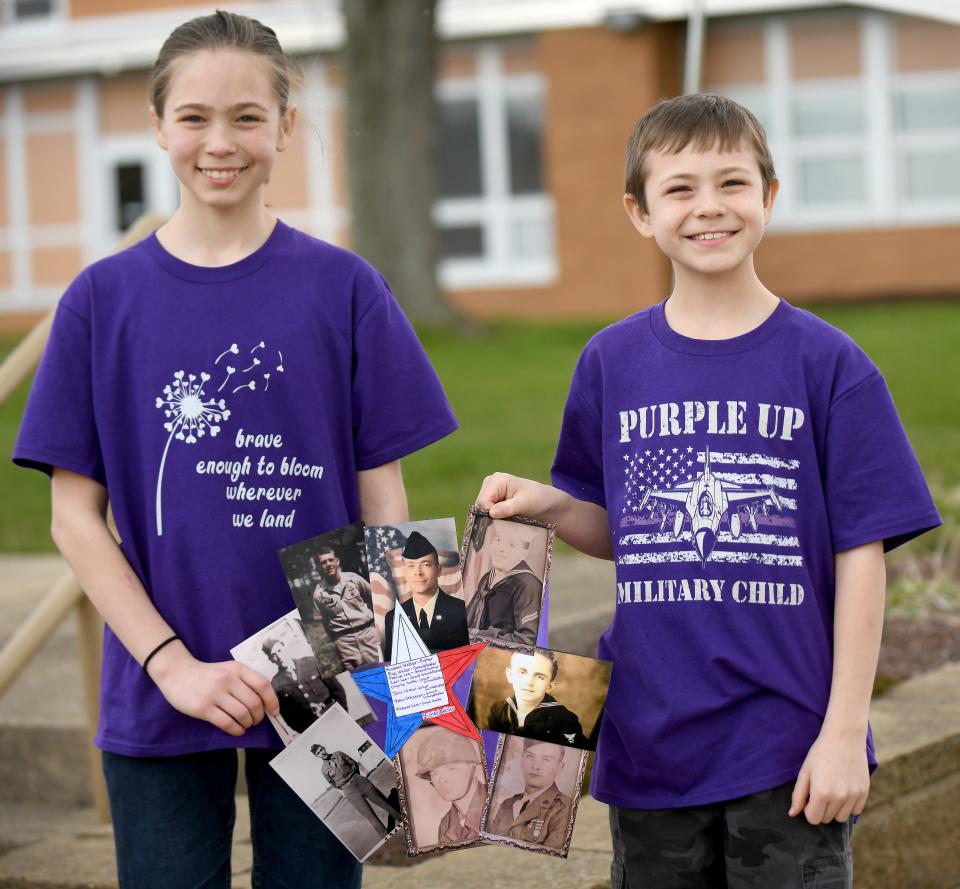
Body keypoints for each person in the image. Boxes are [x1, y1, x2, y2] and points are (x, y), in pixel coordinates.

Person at [11, 10, 457, 888]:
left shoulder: (346, 288)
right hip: (162, 687)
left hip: (330, 686)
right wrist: (172, 663)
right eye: (195, 117)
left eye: (248, 117)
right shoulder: (101, 302)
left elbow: (386, 507)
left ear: (287, 127)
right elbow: (73, 517)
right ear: (157, 127)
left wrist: (405, 683)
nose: (222, 141)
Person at [475, 93, 941, 887]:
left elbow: (863, 560)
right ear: (640, 212)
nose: (709, 208)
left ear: (770, 196)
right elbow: (624, 528)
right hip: (651, 741)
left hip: (788, 744)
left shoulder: (829, 365)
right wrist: (549, 505)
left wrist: (843, 731)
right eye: (680, 188)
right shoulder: (611, 362)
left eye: (732, 183)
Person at [382, 531, 469, 658]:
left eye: (426, 564)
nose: (418, 572)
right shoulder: (393, 618)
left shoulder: (461, 611)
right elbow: (390, 665)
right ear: (404, 572)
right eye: (411, 566)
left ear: (438, 570)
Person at [484, 649, 588, 748]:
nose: (529, 682)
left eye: (539, 677)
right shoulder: (498, 710)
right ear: (510, 675)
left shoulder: (565, 720)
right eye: (522, 672)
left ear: (550, 686)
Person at [465, 520, 543, 647]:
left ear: (524, 554)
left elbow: (527, 640)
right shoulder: (489, 577)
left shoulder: (527, 585)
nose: (501, 549)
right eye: (498, 540)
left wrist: (480, 636)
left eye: (512, 545)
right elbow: (470, 616)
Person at [487, 739, 573, 849]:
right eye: (530, 756)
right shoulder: (507, 804)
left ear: (559, 767)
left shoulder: (565, 808)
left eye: (546, 759)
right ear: (522, 759)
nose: (535, 766)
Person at [311, 545, 381, 670]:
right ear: (318, 567)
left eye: (331, 560)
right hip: (345, 643)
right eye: (323, 562)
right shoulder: (319, 594)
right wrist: (338, 642)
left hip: (369, 634)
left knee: (385, 669)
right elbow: (325, 622)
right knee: (363, 680)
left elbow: (375, 600)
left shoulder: (353, 579)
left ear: (337, 561)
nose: (328, 564)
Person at [412, 727, 486, 845]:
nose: (443, 779)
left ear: (472, 768)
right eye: (435, 773)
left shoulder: (498, 803)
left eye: (451, 768)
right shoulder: (445, 825)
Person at [310, 744, 401, 838]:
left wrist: (356, 777)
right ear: (316, 756)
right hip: (350, 791)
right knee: (370, 816)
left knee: (385, 803)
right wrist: (346, 786)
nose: (322, 753)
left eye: (321, 749)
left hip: (360, 781)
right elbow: (333, 783)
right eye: (318, 753)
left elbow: (353, 763)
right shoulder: (324, 770)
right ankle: (387, 837)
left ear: (324, 748)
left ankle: (403, 820)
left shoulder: (338, 754)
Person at [261, 636, 346, 735]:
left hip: (335, 715)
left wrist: (342, 713)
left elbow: (338, 690)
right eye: (274, 655)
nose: (279, 657)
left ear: (285, 648)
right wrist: (308, 732)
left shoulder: (312, 662)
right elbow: (289, 718)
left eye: (279, 650)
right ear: (271, 659)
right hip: (313, 730)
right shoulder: (276, 683)